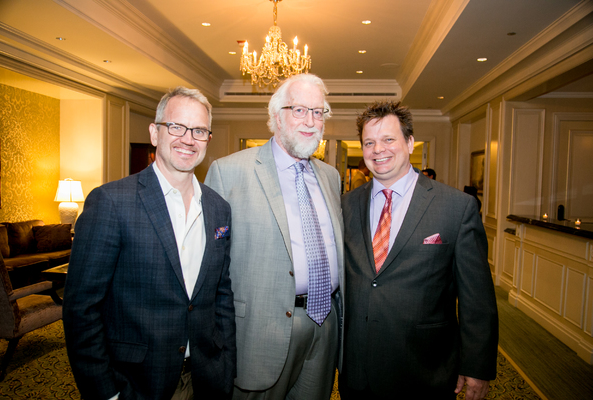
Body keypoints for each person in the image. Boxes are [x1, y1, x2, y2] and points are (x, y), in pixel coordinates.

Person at [63, 87, 236, 400]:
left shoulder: (218, 208)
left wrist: (225, 365)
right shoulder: (111, 202)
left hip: (205, 376)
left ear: (208, 139)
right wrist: (106, 393)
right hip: (136, 382)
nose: (188, 139)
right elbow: (81, 310)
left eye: (198, 130)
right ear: (155, 133)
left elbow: (220, 294)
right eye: (176, 127)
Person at [339, 100, 498, 400]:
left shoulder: (456, 208)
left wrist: (477, 366)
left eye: (388, 139)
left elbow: (477, 298)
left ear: (410, 142)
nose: (378, 150)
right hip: (358, 371)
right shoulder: (346, 204)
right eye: (369, 142)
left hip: (424, 370)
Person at [205, 73, 344, 400]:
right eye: (299, 110)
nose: (311, 121)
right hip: (259, 330)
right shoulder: (229, 172)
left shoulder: (330, 176)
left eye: (318, 112)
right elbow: (208, 267)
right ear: (275, 117)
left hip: (324, 325)